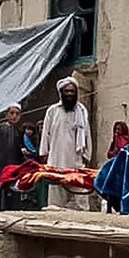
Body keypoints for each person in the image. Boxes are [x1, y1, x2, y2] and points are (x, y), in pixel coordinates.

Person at [40, 75, 91, 209]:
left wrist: (87, 155)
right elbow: (46, 133)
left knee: (80, 191)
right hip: (57, 157)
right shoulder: (53, 111)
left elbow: (86, 135)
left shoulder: (82, 111)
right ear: (61, 93)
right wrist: (44, 153)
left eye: (72, 91)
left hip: (76, 158)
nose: (69, 94)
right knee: (57, 194)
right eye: (66, 91)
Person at [0, 103, 23, 209]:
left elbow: (19, 148)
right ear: (6, 115)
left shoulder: (19, 131)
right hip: (0, 161)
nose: (14, 116)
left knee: (12, 186)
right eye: (12, 113)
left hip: (14, 162)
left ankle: (11, 208)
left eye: (17, 114)